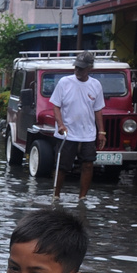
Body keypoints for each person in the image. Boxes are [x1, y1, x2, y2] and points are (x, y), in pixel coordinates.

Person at [49, 52, 106, 202]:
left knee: (88, 164)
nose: (77, 70)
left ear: (89, 68)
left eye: (81, 68)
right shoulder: (64, 82)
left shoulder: (96, 85)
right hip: (67, 133)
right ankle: (56, 195)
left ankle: (82, 197)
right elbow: (56, 106)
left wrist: (101, 131)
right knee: (62, 166)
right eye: (76, 67)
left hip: (88, 133)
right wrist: (60, 124)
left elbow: (98, 109)